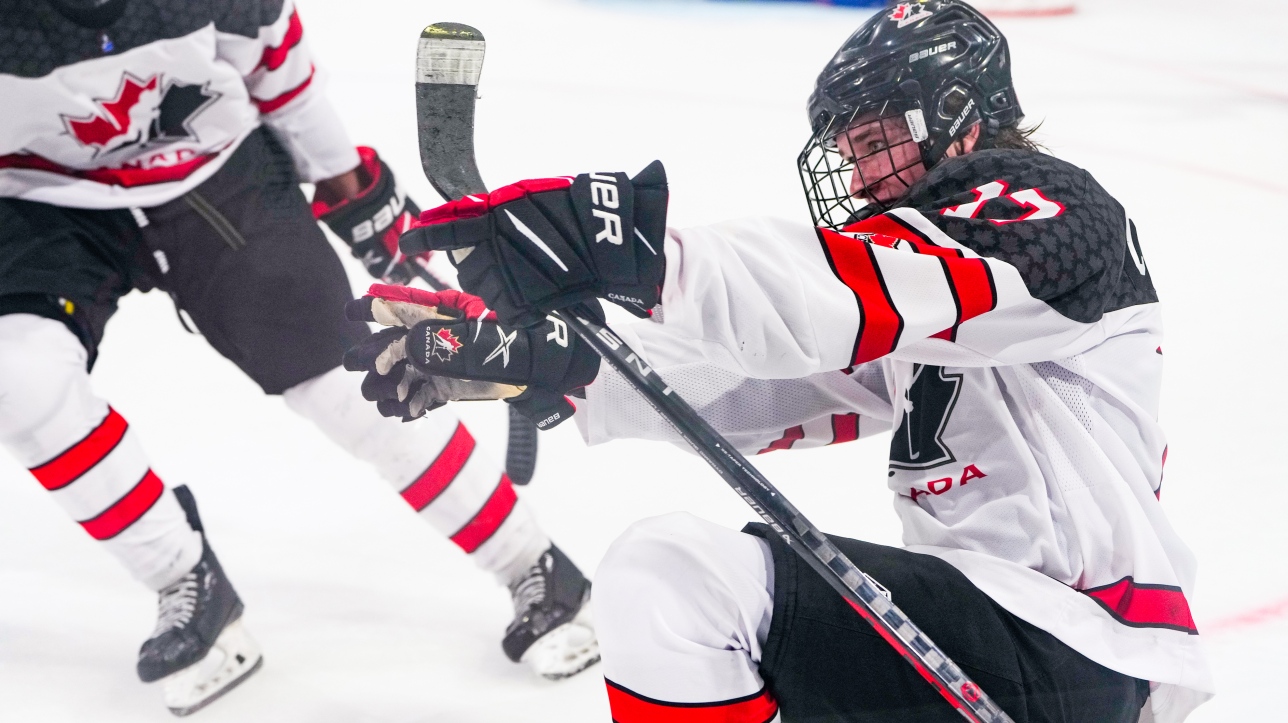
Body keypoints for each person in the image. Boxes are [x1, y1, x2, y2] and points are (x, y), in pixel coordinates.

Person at [343, 1, 1215, 721]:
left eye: (877, 142)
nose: (862, 174)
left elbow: (834, 292)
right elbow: (755, 385)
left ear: (959, 115)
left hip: (1079, 635)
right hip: (991, 641)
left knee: (674, 578)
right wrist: (557, 362)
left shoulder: (1055, 215)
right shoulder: (940, 298)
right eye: (851, 154)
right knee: (669, 581)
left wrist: (631, 245)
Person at [0, 0, 596, 715]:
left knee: (348, 381)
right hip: (38, 202)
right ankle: (184, 579)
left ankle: (532, 561)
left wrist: (345, 179)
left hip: (213, 171)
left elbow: (276, 60)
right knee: (19, 374)